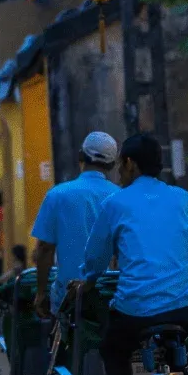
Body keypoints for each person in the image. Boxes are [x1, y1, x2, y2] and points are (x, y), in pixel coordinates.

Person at [73, 133, 188, 375]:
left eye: (122, 165)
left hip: (135, 312)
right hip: (182, 310)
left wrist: (89, 278)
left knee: (112, 348)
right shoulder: (185, 199)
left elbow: (95, 257)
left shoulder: (115, 203)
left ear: (130, 164)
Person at [30, 132, 120, 319]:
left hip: (68, 296)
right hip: (112, 294)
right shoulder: (121, 197)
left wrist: (40, 294)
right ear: (112, 165)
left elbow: (45, 249)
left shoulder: (58, 195)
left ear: (80, 156)